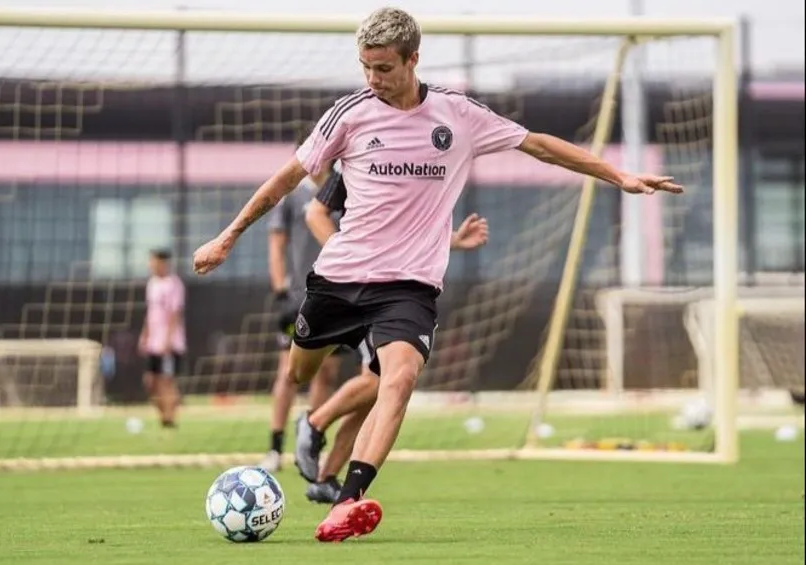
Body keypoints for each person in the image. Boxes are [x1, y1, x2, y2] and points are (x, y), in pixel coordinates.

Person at [193, 6, 682, 542]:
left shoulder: (457, 114)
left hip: (409, 287)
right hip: (339, 277)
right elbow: (288, 178)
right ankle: (310, 424)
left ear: (413, 59)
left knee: (398, 379)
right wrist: (227, 236)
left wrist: (618, 175)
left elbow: (539, 144)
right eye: (365, 68)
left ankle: (347, 501)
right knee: (298, 374)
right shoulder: (348, 115)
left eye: (384, 68)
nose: (373, 79)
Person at [296, 184, 491, 503]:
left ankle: (326, 476)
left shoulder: (415, 166)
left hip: (392, 294)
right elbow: (316, 213)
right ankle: (314, 422)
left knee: (382, 389)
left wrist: (452, 240)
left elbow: (403, 232)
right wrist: (350, 261)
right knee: (377, 382)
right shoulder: (352, 163)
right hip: (356, 288)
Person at [258, 128, 347, 475]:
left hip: (337, 295)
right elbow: (276, 244)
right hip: (298, 297)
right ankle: (274, 447)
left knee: (328, 372)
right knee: (288, 371)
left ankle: (309, 443)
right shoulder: (292, 195)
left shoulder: (344, 189)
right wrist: (280, 289)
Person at [138, 249, 186, 428]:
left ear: (163, 263)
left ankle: (170, 419)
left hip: (170, 344)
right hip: (153, 343)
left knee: (167, 381)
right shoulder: (152, 284)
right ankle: (164, 416)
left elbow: (175, 313)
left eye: (154, 261)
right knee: (151, 382)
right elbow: (150, 313)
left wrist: (168, 340)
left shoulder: (174, 284)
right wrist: (144, 335)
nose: (150, 265)